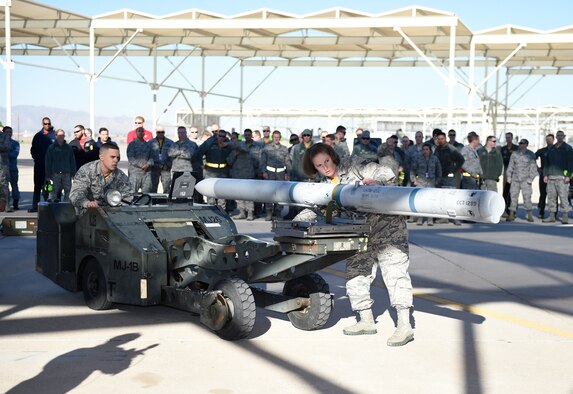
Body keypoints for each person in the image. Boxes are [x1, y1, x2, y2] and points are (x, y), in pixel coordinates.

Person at [296, 144, 414, 346]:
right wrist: (297, 221)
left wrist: (376, 181)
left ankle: (404, 326)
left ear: (333, 157)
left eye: (327, 161)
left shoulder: (354, 165)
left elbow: (385, 172)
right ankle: (365, 320)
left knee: (394, 272)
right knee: (355, 272)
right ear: (314, 168)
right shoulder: (324, 186)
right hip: (361, 231)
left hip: (388, 226)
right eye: (319, 165)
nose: (325, 167)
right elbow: (316, 210)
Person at [69, 143, 133, 215]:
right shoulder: (86, 171)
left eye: (118, 158)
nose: (116, 160)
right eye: (112, 157)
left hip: (112, 215)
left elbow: (128, 198)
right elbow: (75, 195)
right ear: (101, 157)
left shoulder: (120, 176)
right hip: (88, 214)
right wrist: (87, 203)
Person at [193, 129, 234, 210]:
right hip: (210, 171)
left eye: (223, 136)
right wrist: (201, 165)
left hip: (223, 172)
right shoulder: (210, 142)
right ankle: (210, 211)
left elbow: (233, 153)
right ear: (216, 135)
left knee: (222, 194)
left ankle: (222, 211)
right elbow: (198, 153)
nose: (221, 138)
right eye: (220, 136)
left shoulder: (228, 143)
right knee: (210, 193)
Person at [434, 130, 464, 225]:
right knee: (441, 198)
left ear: (445, 139)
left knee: (451, 198)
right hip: (440, 176)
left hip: (449, 177)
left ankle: (455, 218)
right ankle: (443, 217)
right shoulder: (437, 149)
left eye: (442, 139)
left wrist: (454, 170)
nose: (440, 140)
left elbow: (461, 160)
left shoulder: (451, 148)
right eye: (439, 139)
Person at [542, 130, 573, 224]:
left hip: (561, 177)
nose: (559, 137)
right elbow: (547, 163)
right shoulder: (552, 148)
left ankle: (565, 216)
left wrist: (568, 176)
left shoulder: (567, 148)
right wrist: (545, 174)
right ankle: (552, 216)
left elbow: (571, 163)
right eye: (558, 135)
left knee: (563, 197)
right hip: (551, 177)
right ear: (556, 137)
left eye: (561, 135)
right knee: (551, 197)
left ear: (564, 136)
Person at [260, 130, 291, 221]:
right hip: (270, 173)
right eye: (275, 137)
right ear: (272, 138)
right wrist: (264, 172)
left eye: (278, 137)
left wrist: (288, 174)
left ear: (280, 138)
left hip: (280, 174)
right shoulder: (267, 148)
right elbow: (263, 161)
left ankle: (278, 212)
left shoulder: (284, 149)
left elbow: (287, 162)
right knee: (269, 193)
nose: (276, 139)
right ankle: (269, 212)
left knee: (279, 194)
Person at [506, 139, 538, 222]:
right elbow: (510, 166)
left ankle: (529, 214)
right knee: (513, 197)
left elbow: (533, 168)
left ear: (527, 144)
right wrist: (509, 176)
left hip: (525, 180)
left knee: (527, 197)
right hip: (515, 179)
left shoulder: (530, 154)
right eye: (520, 143)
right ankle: (511, 214)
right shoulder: (514, 154)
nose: (521, 145)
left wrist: (531, 179)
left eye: (523, 143)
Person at [410, 143, 442, 226]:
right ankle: (420, 218)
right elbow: (412, 170)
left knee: (430, 201)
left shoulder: (435, 159)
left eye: (427, 149)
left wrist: (437, 181)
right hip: (421, 183)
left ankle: (430, 219)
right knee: (420, 201)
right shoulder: (418, 159)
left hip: (431, 183)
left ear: (430, 150)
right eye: (423, 149)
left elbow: (439, 171)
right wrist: (414, 180)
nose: (425, 151)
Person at [29, 117, 56, 212]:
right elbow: (33, 150)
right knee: (37, 186)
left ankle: (48, 206)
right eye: (45, 123)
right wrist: (37, 159)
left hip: (51, 167)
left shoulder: (55, 136)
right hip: (39, 166)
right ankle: (35, 206)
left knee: (49, 187)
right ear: (42, 124)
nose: (47, 125)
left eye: (48, 123)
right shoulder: (38, 136)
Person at [227, 138, 256, 220]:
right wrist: (234, 154)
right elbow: (229, 162)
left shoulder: (248, 152)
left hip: (247, 177)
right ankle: (242, 213)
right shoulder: (234, 153)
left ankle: (250, 213)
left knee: (248, 196)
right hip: (237, 176)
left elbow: (254, 162)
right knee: (239, 196)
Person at [45, 129, 76, 202]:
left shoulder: (68, 148)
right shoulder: (51, 148)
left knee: (68, 191)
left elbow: (72, 161)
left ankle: (66, 207)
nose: (61, 137)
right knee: (53, 191)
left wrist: (73, 173)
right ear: (56, 136)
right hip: (55, 173)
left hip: (66, 173)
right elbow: (48, 162)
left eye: (62, 135)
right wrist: (48, 175)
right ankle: (52, 208)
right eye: (59, 135)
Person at [126, 126, 153, 193]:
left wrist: (148, 164)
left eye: (142, 131)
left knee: (146, 194)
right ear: (136, 133)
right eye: (139, 131)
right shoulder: (132, 145)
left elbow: (152, 157)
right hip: (135, 173)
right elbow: (131, 158)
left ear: (144, 133)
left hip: (146, 173)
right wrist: (142, 165)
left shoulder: (148, 145)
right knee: (132, 194)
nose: (141, 133)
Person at [149, 126, 174, 194]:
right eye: (158, 132)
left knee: (167, 188)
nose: (160, 134)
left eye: (162, 132)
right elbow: (148, 156)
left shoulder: (170, 143)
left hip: (165, 169)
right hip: (154, 168)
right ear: (156, 133)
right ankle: (153, 203)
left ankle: (167, 203)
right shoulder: (150, 143)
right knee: (153, 188)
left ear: (164, 133)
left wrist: (168, 165)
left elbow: (172, 156)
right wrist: (151, 164)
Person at [535, 134, 554, 219]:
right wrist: (537, 168)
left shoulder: (557, 151)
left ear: (553, 140)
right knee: (543, 194)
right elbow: (532, 158)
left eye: (550, 139)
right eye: (547, 139)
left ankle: (553, 213)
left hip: (553, 175)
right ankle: (541, 211)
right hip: (543, 174)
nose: (548, 141)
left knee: (553, 195)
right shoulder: (542, 151)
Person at [501, 132, 518, 216]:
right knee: (505, 191)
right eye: (506, 137)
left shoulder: (516, 148)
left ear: (512, 138)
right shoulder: (503, 149)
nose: (508, 139)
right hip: (506, 171)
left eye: (509, 137)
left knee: (514, 192)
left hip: (515, 172)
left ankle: (513, 210)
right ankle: (504, 209)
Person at [4, 126, 20, 210]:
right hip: (3, 169)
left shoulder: (15, 143)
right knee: (5, 187)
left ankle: (16, 203)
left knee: (14, 186)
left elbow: (14, 154)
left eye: (10, 132)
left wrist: (5, 152)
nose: (9, 134)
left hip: (13, 168)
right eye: (7, 132)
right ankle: (7, 204)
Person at [0, 126, 11, 212]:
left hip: (2, 165)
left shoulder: (4, 136)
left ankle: (7, 205)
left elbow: (7, 147)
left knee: (4, 185)